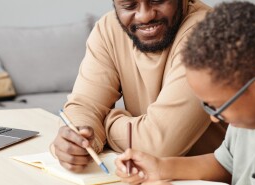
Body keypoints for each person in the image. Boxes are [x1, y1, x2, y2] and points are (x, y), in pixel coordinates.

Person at [114, 2, 255, 184]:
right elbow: (224, 165)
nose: (214, 117)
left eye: (218, 107)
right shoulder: (250, 116)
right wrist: (160, 167)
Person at [51, 0, 228, 172]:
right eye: (129, 5)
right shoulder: (109, 28)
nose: (145, 16)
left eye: (157, 1)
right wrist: (78, 139)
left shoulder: (209, 34)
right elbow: (83, 106)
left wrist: (105, 123)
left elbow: (159, 145)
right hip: (142, 176)